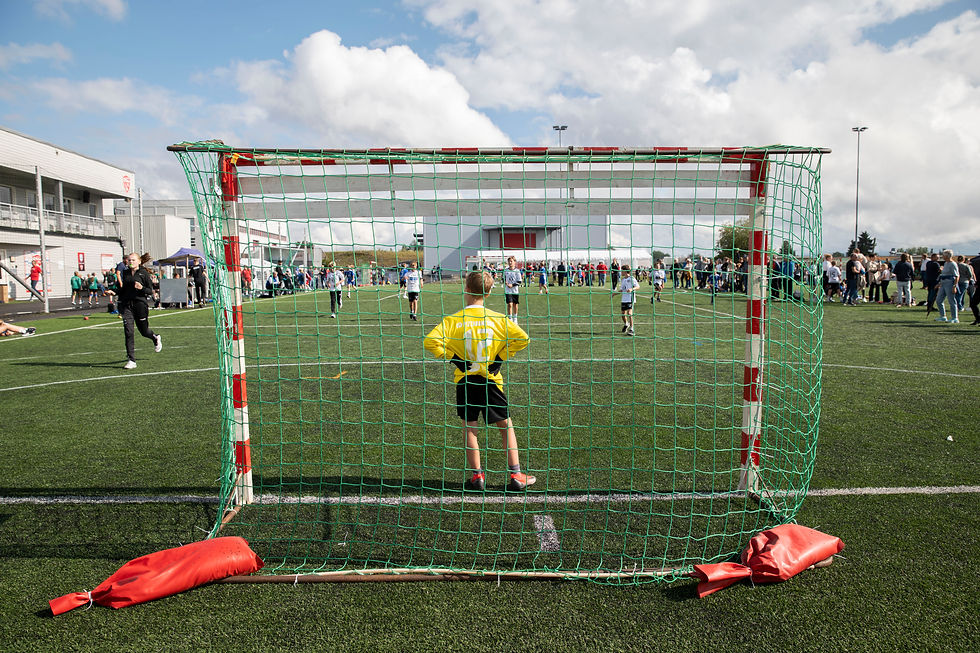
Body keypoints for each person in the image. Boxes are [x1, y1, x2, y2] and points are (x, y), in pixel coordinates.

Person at [423, 270, 534, 492]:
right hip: (492, 381)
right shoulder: (499, 319)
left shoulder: (453, 321)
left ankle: (478, 477)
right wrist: (500, 357)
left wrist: (455, 359)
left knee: (470, 428)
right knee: (505, 427)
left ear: (465, 289)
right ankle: (516, 475)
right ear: (490, 291)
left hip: (466, 382)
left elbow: (430, 342)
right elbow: (523, 339)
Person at [118, 252, 162, 369]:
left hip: (140, 305)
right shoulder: (125, 272)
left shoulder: (143, 273)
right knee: (129, 332)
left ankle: (155, 337)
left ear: (139, 261)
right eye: (129, 260)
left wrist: (141, 288)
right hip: (127, 305)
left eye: (133, 260)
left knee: (144, 331)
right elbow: (124, 289)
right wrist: (117, 297)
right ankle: (131, 360)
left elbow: (149, 291)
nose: (130, 262)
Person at [932, 249, 960, 324]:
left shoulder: (953, 264)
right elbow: (943, 274)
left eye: (943, 255)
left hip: (950, 283)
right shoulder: (946, 263)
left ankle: (955, 317)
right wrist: (939, 284)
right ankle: (943, 316)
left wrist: (954, 286)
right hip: (943, 283)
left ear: (947, 256)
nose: (942, 257)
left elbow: (957, 276)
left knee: (951, 301)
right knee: (939, 300)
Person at [617, 265, 640, 336]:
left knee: (630, 313)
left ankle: (632, 329)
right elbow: (622, 289)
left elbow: (638, 287)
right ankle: (626, 324)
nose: (621, 272)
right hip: (624, 299)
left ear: (625, 271)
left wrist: (631, 289)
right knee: (623, 314)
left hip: (630, 298)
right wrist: (615, 293)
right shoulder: (623, 280)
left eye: (622, 270)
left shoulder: (632, 278)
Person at [502, 256, 522, 324]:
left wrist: (512, 285)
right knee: (509, 304)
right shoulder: (506, 270)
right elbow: (503, 278)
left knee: (515, 304)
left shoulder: (517, 271)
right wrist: (505, 282)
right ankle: (510, 318)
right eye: (509, 261)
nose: (510, 263)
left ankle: (515, 317)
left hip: (515, 291)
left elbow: (519, 281)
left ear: (514, 262)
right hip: (508, 291)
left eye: (511, 261)